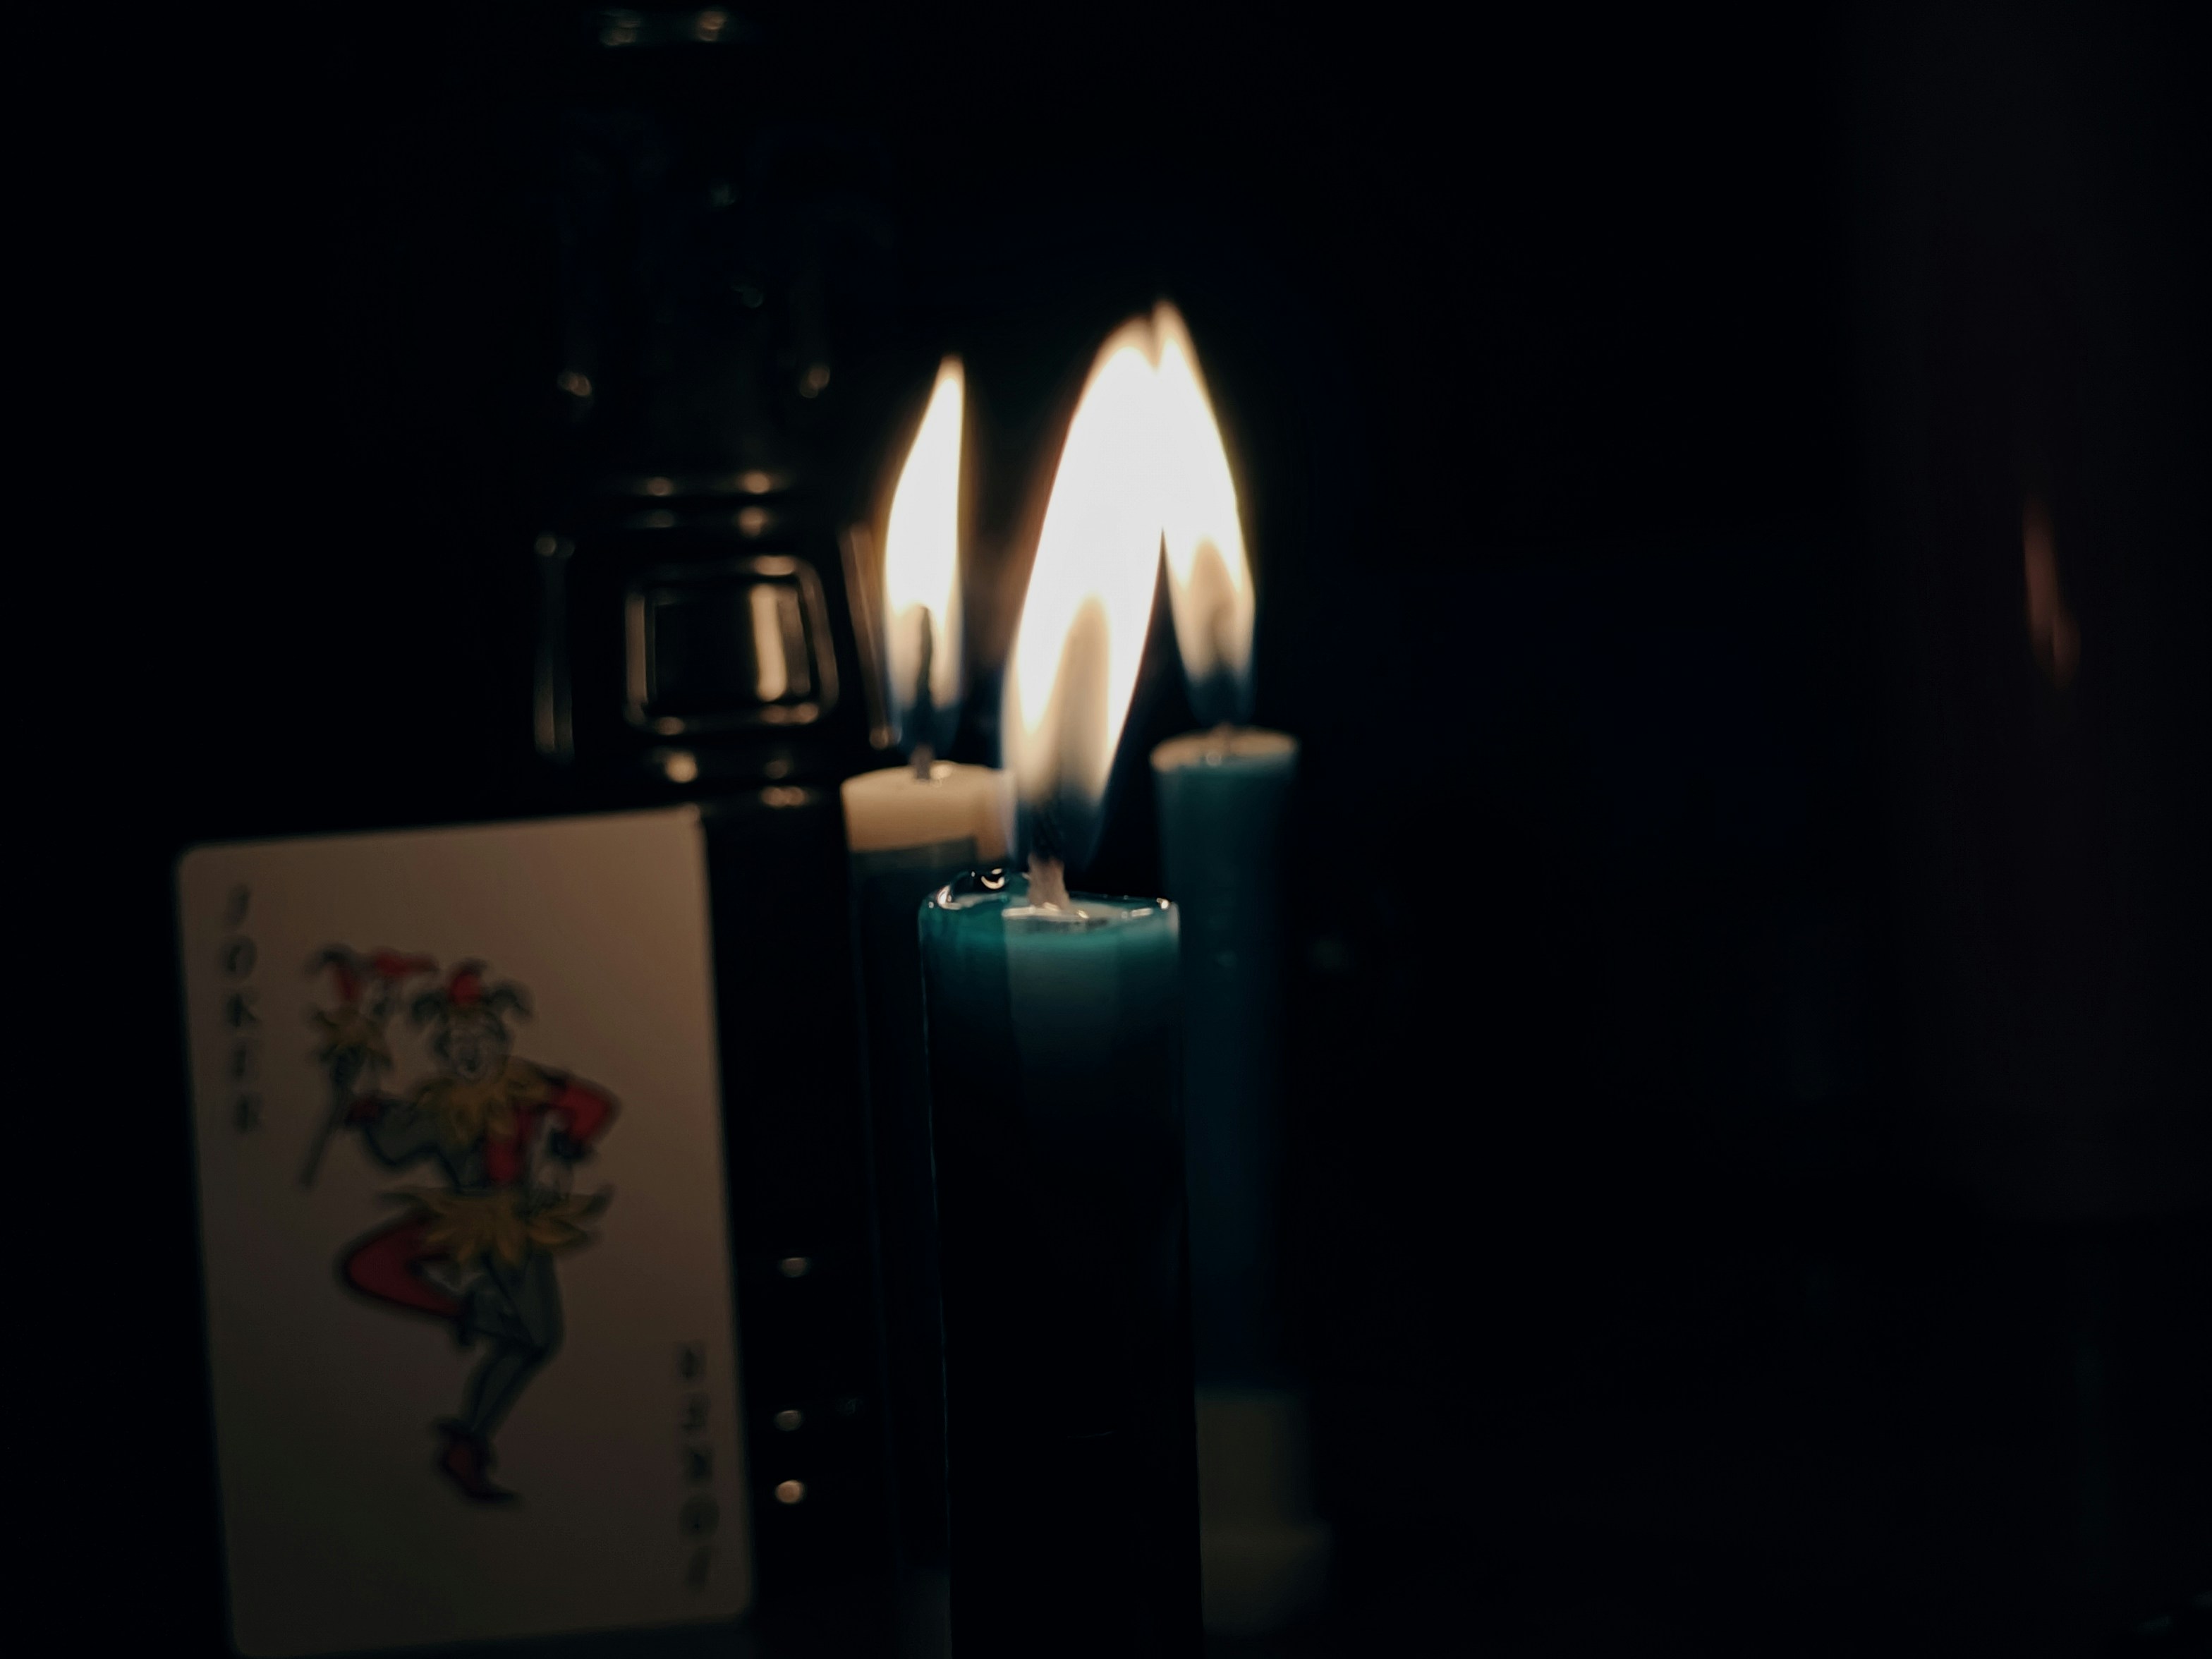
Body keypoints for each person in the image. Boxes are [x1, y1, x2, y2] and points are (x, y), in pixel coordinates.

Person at [332, 960, 618, 1501]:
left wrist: (564, 1149)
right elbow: (393, 1153)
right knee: (373, 1268)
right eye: (455, 1039)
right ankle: (476, 1322)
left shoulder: (524, 1088)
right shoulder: (437, 1109)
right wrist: (370, 1111)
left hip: (516, 1223)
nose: (468, 1049)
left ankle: (467, 1437)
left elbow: (593, 1103)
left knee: (538, 1339)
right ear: (443, 1049)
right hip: (466, 1223)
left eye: (478, 1036)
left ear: (498, 1038)